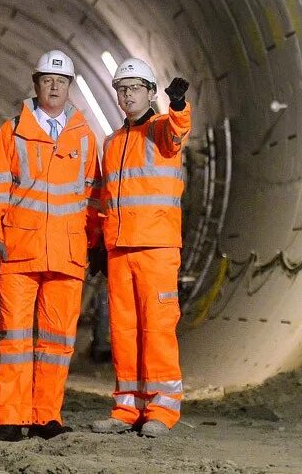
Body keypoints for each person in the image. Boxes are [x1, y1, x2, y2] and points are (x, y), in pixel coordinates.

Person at [0, 50, 103, 441]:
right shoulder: (11, 130)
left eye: (61, 81)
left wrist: (95, 243)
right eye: (47, 80)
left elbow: (93, 195)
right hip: (20, 251)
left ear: (70, 87)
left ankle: (46, 415)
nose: (54, 87)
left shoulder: (83, 136)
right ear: (35, 84)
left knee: (57, 342)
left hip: (67, 254)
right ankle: (11, 418)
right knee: (14, 340)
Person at [89, 58, 191, 438]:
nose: (128, 94)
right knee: (125, 330)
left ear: (151, 92)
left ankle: (162, 409)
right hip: (120, 249)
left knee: (158, 328)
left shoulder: (162, 129)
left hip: (157, 247)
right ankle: (127, 406)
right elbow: (104, 198)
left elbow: (180, 127)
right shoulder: (112, 144)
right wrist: (97, 242)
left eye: (135, 88)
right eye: (122, 88)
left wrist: (178, 105)